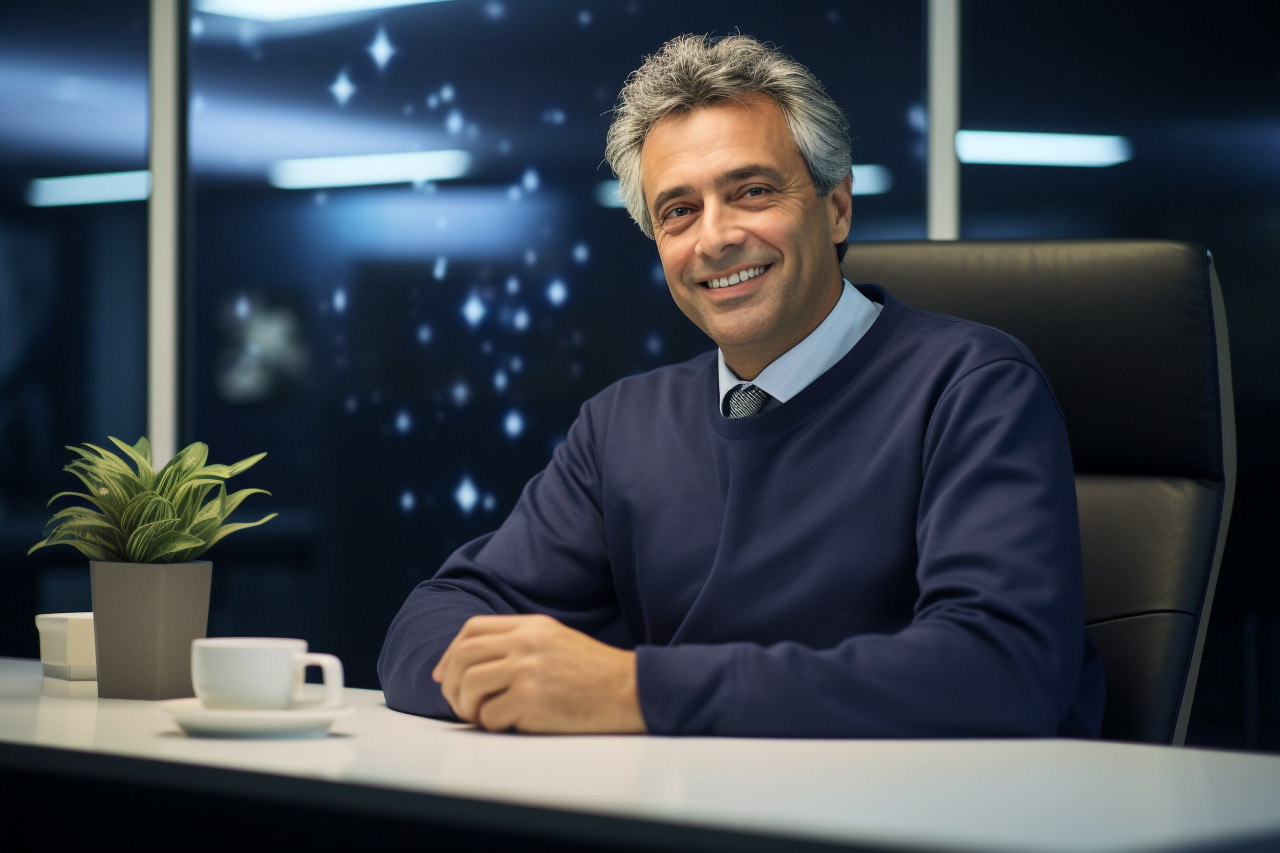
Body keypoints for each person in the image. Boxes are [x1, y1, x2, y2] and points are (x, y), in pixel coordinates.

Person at [378, 33, 1105, 737]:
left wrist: (634, 691)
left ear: (837, 207)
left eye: (751, 190)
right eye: (678, 211)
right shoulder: (623, 425)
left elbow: (1002, 669)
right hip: (698, 809)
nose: (715, 237)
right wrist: (506, 677)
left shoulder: (970, 386)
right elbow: (430, 623)